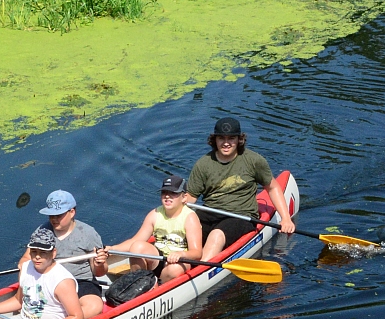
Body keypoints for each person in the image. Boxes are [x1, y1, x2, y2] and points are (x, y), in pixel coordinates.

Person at [184, 116, 296, 260]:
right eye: (221, 138)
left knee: (216, 235)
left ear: (239, 139)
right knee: (184, 231)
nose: (226, 143)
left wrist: (285, 219)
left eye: (231, 138)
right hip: (210, 212)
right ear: (214, 140)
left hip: (241, 216)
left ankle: (202, 268)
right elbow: (190, 198)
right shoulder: (203, 164)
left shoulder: (253, 161)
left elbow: (273, 188)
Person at [22, 190, 108, 319]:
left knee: (94, 306)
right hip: (50, 280)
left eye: (58, 215)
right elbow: (25, 259)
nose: (54, 219)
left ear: (72, 212)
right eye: (51, 215)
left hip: (81, 281)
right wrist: (24, 267)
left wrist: (99, 264)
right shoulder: (42, 231)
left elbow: (99, 273)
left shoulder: (88, 233)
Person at [105, 174, 202, 283]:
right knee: (137, 246)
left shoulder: (190, 218)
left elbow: (197, 253)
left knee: (174, 269)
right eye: (164, 192)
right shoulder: (155, 214)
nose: (167, 196)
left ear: (184, 197)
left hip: (179, 262)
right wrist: (113, 249)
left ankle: (160, 285)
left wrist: (181, 254)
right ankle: (138, 282)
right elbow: (135, 240)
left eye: (173, 193)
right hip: (158, 259)